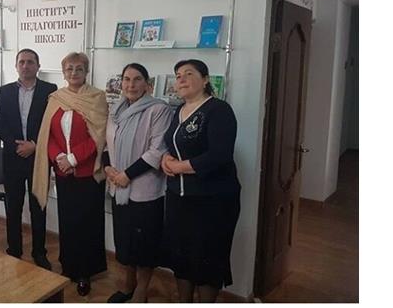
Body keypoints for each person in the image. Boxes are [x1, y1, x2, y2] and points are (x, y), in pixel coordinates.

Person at [160, 59, 241, 303]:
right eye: (178, 75)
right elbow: (172, 144)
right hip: (179, 198)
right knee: (181, 255)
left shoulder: (218, 110)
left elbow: (220, 154)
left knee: (208, 258)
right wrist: (165, 158)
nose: (181, 79)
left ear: (205, 79)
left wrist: (179, 167)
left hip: (212, 200)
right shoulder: (178, 110)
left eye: (188, 73)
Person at [32, 52, 108, 296]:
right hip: (63, 172)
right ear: (63, 72)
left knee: (87, 224)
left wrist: (73, 159)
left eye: (79, 69)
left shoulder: (97, 97)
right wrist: (59, 159)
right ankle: (69, 266)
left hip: (87, 173)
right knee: (68, 222)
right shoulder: (55, 98)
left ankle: (85, 272)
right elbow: (48, 135)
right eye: (69, 69)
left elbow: (99, 136)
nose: (74, 73)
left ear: (86, 71)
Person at [103, 63, 173, 303]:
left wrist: (127, 174)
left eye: (137, 79)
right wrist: (108, 168)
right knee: (125, 242)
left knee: (144, 245)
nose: (131, 84)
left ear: (147, 84)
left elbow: (157, 151)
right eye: (126, 79)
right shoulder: (116, 110)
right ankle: (128, 285)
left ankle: (141, 292)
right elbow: (107, 144)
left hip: (144, 190)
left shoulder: (158, 109)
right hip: (118, 187)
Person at [0, 49, 57, 270]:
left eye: (30, 62)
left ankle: (39, 252)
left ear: (38, 66)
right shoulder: (5, 91)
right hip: (13, 157)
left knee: (38, 206)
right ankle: (14, 249)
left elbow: (52, 124)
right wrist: (15, 145)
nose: (26, 66)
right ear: (16, 66)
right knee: (14, 206)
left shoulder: (50, 90)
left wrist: (35, 145)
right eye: (21, 62)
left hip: (38, 158)